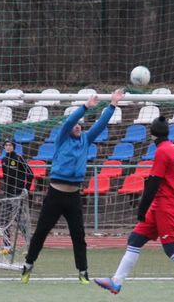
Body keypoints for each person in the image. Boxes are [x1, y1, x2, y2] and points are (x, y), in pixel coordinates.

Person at [94, 115, 174, 302]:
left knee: (171, 248)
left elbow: (153, 182)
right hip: (161, 205)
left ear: (152, 135)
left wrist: (141, 209)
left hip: (164, 206)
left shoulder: (162, 151)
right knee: (135, 239)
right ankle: (116, 282)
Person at [21, 88, 125, 284]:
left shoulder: (85, 139)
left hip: (74, 196)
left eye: (79, 125)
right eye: (75, 125)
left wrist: (113, 104)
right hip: (55, 195)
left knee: (78, 235)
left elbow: (101, 125)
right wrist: (85, 107)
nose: (77, 126)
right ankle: (28, 265)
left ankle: (83, 272)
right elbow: (69, 121)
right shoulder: (62, 139)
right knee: (41, 232)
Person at [0, 139, 33, 253]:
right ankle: (7, 247)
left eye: (10, 145)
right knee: (4, 219)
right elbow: (5, 177)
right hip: (7, 194)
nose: (8, 147)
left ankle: (30, 245)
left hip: (17, 194)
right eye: (6, 145)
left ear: (13, 147)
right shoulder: (3, 160)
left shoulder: (19, 158)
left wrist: (25, 189)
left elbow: (30, 174)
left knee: (20, 220)